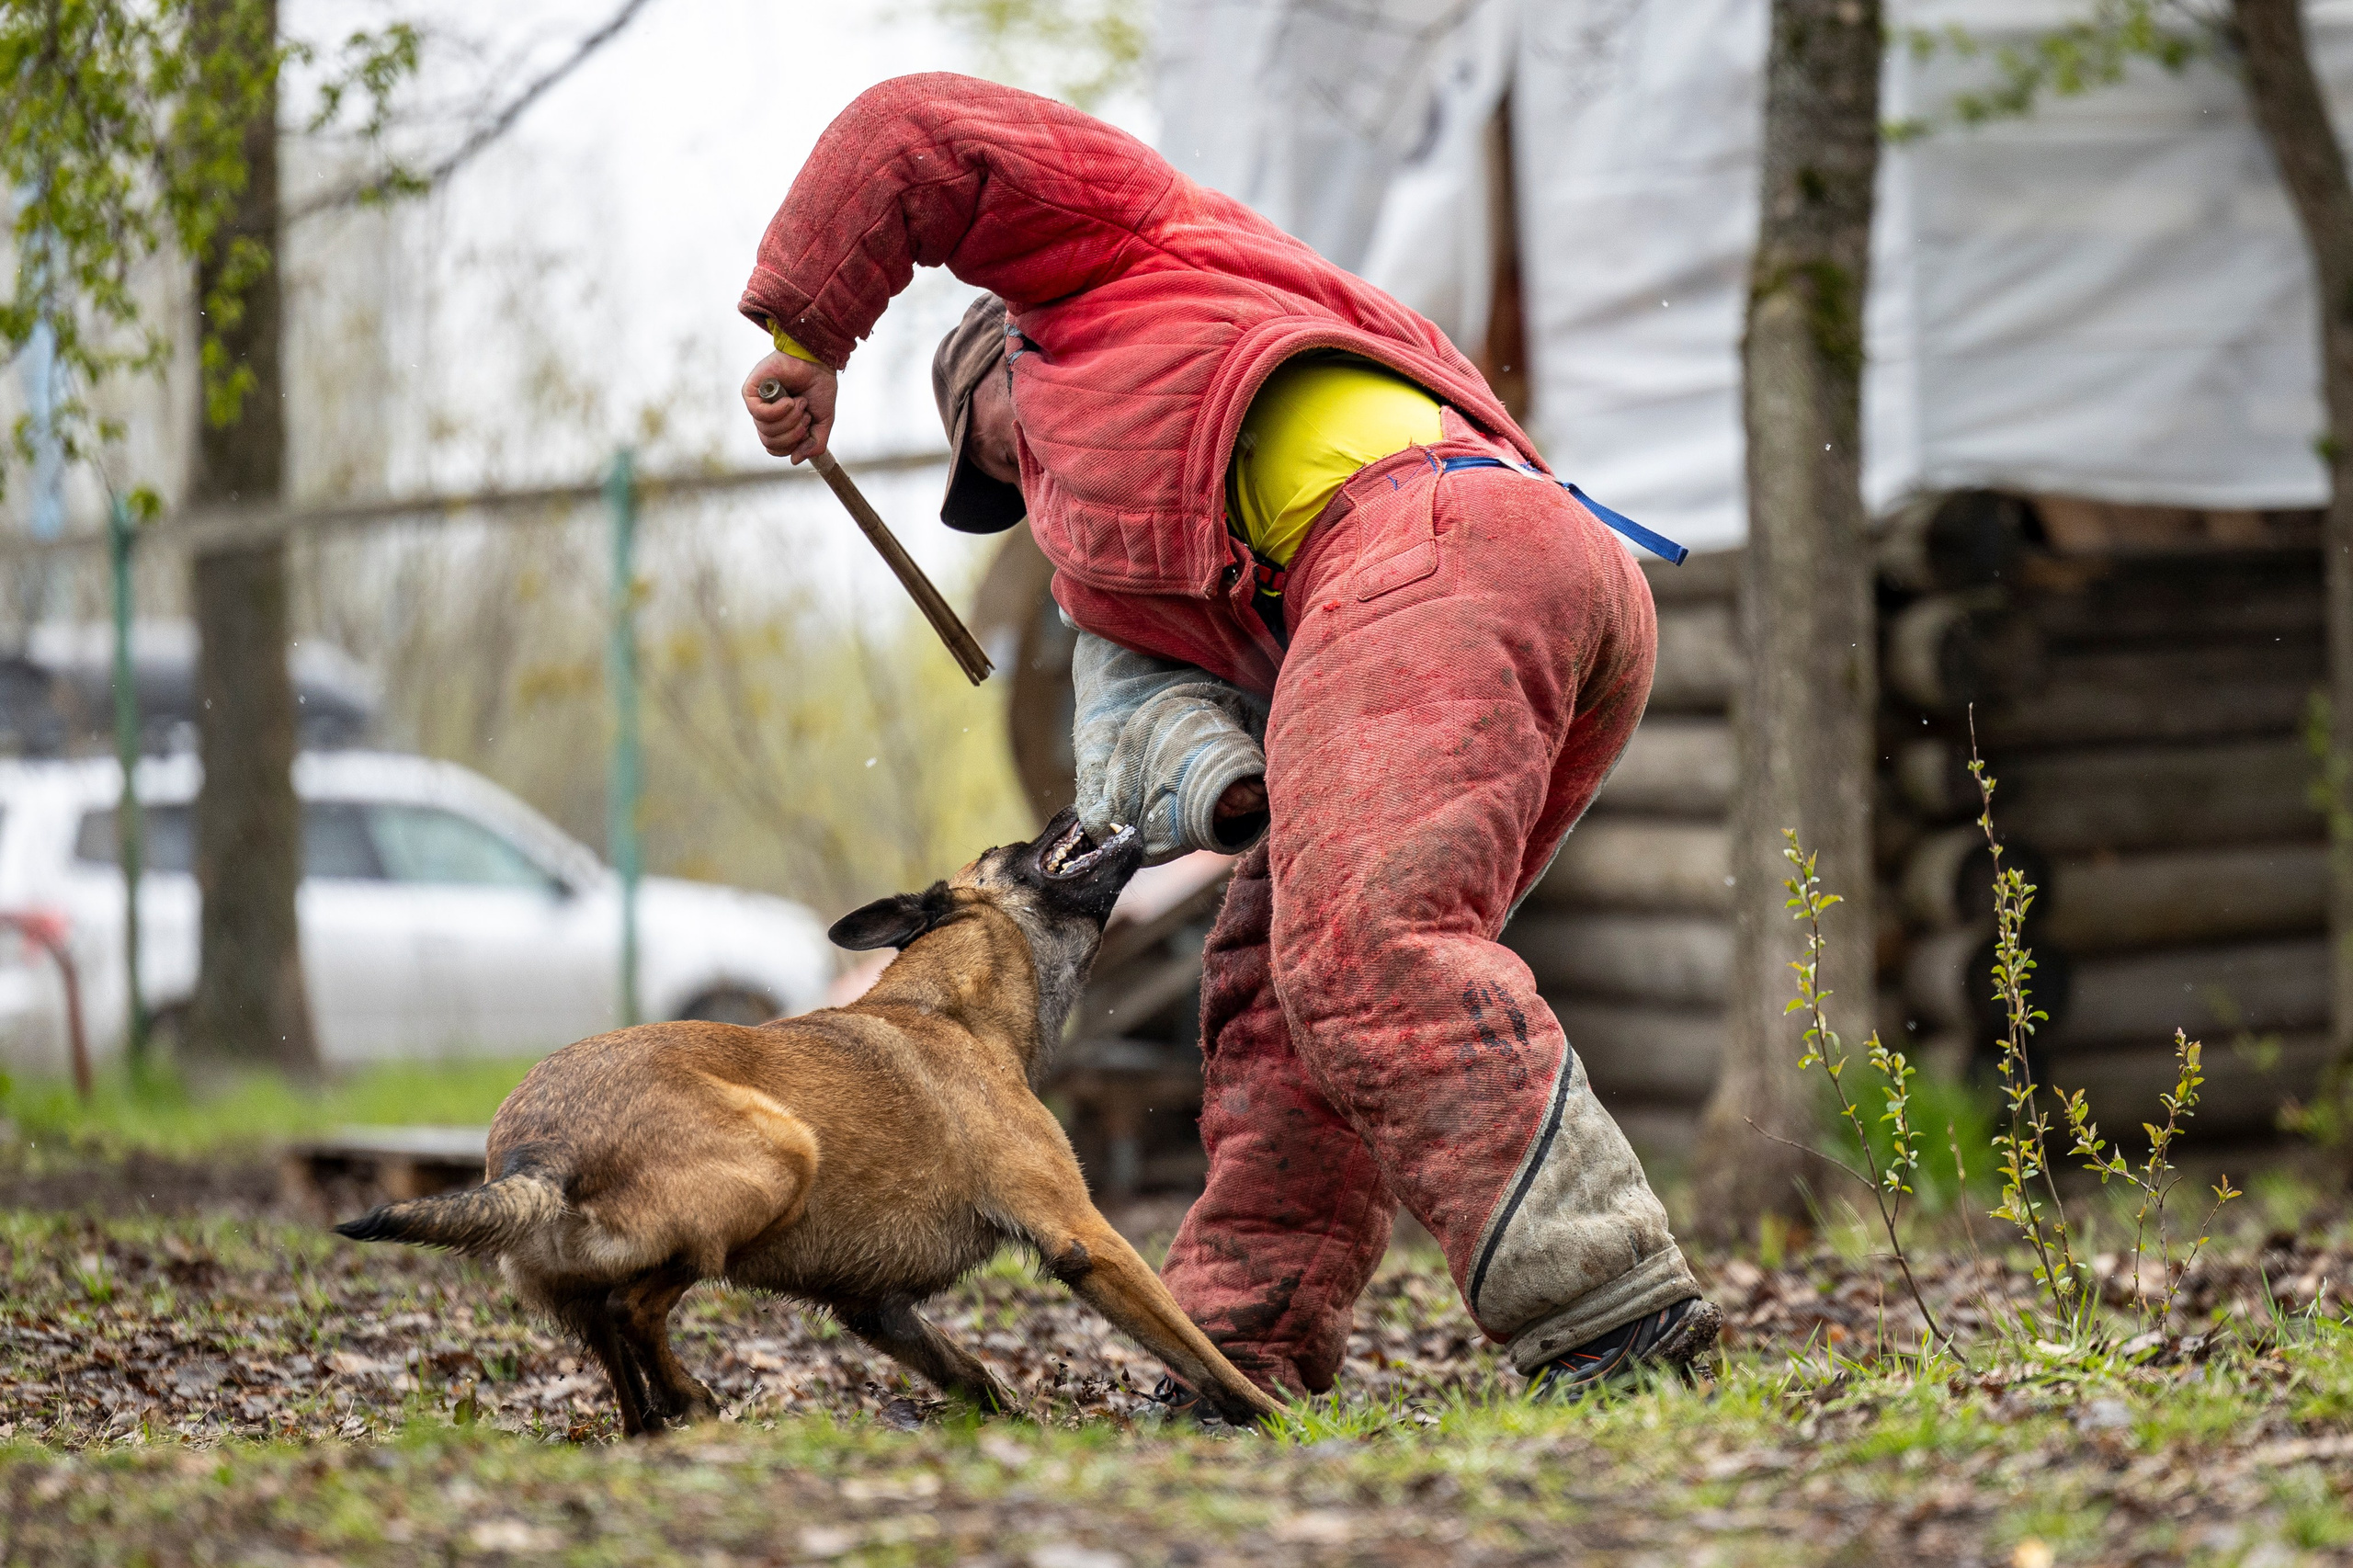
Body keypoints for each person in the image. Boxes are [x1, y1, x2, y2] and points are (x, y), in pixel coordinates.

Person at [739, 74, 1719, 1404]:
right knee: (1274, 988)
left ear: (999, 361)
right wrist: (1238, 791)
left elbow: (918, 133)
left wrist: (806, 328)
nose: (1012, 488)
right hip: (1493, 586)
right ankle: (1236, 1350)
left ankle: (1613, 1310)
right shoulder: (1107, 574)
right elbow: (1144, 739)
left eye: (992, 451)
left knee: (1367, 947)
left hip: (1438, 540)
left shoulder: (1116, 255)